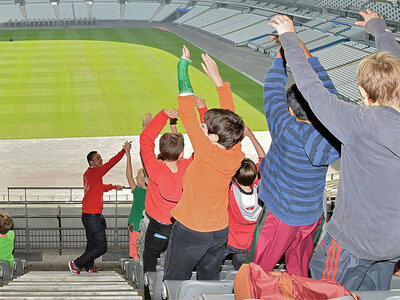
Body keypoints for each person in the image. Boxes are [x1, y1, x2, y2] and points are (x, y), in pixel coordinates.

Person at [268, 10, 400, 290]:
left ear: (363, 93)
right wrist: (379, 29)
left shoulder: (358, 123)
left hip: (350, 246)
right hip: (392, 246)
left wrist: (288, 36)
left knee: (325, 293)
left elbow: (311, 88)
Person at [247, 36, 340, 277]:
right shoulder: (332, 136)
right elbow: (331, 99)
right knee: (299, 272)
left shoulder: (284, 126)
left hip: (279, 216)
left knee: (256, 270)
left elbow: (272, 89)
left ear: (290, 111)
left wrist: (282, 53)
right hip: (310, 217)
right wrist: (303, 48)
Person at [163, 46, 245, 281]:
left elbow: (186, 114)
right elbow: (231, 120)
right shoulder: (235, 149)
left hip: (191, 230)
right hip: (219, 232)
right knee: (209, 279)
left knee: (174, 278)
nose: (201, 125)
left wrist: (182, 67)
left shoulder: (207, 152)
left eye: (205, 127)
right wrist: (218, 80)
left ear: (213, 138)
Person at [139, 107, 194, 281]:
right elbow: (202, 149)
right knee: (178, 261)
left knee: (150, 259)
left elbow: (145, 140)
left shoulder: (155, 168)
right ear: (182, 154)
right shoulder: (188, 168)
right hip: (181, 226)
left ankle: (150, 292)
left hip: (157, 226)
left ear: (161, 153)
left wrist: (163, 115)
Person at [68, 145, 127, 274]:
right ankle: (76, 264)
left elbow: (99, 186)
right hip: (93, 217)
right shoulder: (96, 172)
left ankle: (88, 267)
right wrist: (123, 151)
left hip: (89, 215)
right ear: (91, 162)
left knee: (91, 244)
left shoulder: (89, 173)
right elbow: (111, 163)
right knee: (101, 247)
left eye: (100, 157)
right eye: (98, 158)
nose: (101, 160)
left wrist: (113, 187)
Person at [225, 125, 265, 270]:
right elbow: (264, 160)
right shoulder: (262, 192)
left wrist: (236, 141)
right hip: (248, 245)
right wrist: (250, 135)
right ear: (255, 177)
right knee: (239, 271)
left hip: (228, 241)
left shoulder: (230, 190)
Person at [125, 142, 147, 262]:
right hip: (146, 228)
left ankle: (138, 277)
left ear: (143, 181)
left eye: (138, 177)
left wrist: (128, 154)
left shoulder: (138, 192)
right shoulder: (152, 193)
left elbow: (128, 176)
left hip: (135, 227)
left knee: (135, 254)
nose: (135, 178)